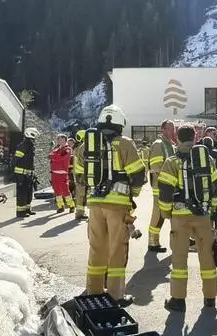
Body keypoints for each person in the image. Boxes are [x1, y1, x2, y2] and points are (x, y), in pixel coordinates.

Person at [84, 105, 147, 306]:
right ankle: (115, 296)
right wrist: (132, 195)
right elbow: (138, 174)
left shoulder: (88, 142)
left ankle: (94, 292)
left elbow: (79, 172)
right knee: (117, 250)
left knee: (97, 249)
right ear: (120, 123)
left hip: (94, 204)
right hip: (117, 205)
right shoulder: (124, 143)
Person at [158, 125, 217, 311]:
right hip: (203, 215)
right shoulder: (207, 160)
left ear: (177, 138)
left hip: (180, 216)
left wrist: (166, 213)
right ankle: (210, 298)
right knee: (207, 256)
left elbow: (165, 191)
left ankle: (178, 300)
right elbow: (216, 187)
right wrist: (211, 210)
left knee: (179, 258)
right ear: (195, 138)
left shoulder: (172, 161)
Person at [147, 120, 178, 253]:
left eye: (173, 128)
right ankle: (152, 242)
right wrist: (166, 180)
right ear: (163, 129)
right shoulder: (159, 144)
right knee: (158, 214)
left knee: (173, 213)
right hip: (161, 187)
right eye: (170, 128)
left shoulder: (170, 144)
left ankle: (179, 240)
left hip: (170, 185)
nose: (173, 131)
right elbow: (155, 167)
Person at [13, 127, 39, 218]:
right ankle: (20, 212)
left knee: (29, 192)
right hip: (22, 174)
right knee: (22, 193)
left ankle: (27, 209)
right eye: (34, 134)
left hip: (28, 174)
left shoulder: (30, 144)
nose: (35, 136)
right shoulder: (23, 145)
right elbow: (16, 159)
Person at [49, 134, 75, 213]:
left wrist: (54, 157)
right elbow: (50, 155)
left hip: (63, 173)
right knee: (57, 191)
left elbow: (60, 157)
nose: (59, 141)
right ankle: (60, 206)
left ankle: (71, 205)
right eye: (58, 139)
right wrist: (54, 156)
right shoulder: (57, 149)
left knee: (65, 190)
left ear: (65, 140)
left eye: (60, 139)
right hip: (54, 173)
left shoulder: (67, 149)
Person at [71, 129, 88, 220]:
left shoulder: (77, 147)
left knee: (79, 194)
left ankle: (80, 212)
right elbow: (84, 162)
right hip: (82, 173)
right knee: (83, 194)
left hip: (78, 174)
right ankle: (80, 213)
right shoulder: (84, 146)